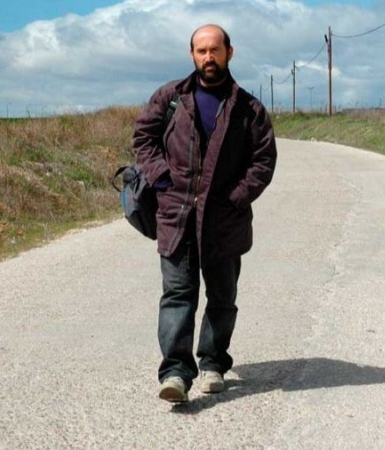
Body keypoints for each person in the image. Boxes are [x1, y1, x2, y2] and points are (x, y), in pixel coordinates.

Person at [133, 24, 277, 403]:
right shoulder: (170, 98)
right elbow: (144, 138)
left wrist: (236, 197)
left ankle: (213, 362)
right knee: (177, 295)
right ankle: (175, 373)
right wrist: (161, 178)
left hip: (225, 222)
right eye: (201, 50)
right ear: (192, 54)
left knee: (222, 298)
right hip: (177, 218)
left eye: (215, 49)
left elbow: (263, 160)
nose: (208, 57)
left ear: (230, 52)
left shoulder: (249, 109)